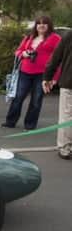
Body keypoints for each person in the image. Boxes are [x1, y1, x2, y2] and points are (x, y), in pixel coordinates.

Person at [2, 16, 60, 130]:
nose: (41, 26)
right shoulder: (30, 37)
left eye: (44, 23)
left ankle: (30, 125)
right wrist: (23, 54)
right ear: (36, 25)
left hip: (43, 74)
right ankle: (10, 121)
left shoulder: (55, 38)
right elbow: (18, 51)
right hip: (25, 71)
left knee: (36, 100)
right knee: (18, 97)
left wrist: (54, 77)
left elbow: (59, 59)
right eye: (39, 23)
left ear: (49, 25)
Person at [43, 30, 72, 159]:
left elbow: (55, 57)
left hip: (69, 82)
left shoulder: (69, 35)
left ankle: (65, 147)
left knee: (67, 116)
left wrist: (47, 77)